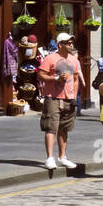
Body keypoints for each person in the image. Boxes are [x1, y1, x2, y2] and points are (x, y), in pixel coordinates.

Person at [37, 33, 83, 171]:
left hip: (68, 98)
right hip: (53, 97)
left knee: (64, 128)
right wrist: (55, 79)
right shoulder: (50, 58)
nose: (71, 44)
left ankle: (62, 157)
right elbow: (41, 74)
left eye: (71, 42)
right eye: (68, 42)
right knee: (51, 127)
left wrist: (74, 97)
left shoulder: (74, 60)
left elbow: (75, 80)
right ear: (60, 45)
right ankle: (49, 158)